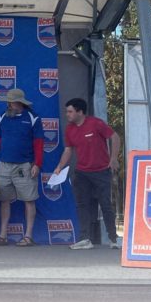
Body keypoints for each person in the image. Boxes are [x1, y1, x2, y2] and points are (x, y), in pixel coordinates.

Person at [54, 98, 122, 249]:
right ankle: (85, 239)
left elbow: (115, 137)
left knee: (105, 205)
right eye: (67, 111)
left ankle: (114, 239)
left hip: (101, 171)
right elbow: (68, 150)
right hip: (82, 173)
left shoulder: (96, 123)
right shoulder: (69, 129)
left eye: (70, 111)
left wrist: (113, 158)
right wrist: (59, 167)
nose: (67, 114)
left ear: (80, 112)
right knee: (82, 205)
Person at [0, 88, 44, 247]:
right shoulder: (3, 116)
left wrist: (37, 164)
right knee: (4, 200)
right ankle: (2, 236)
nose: (8, 104)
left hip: (24, 165)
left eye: (11, 102)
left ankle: (28, 236)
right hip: (4, 165)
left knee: (29, 200)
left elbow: (39, 143)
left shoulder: (33, 118)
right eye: (8, 102)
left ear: (20, 103)